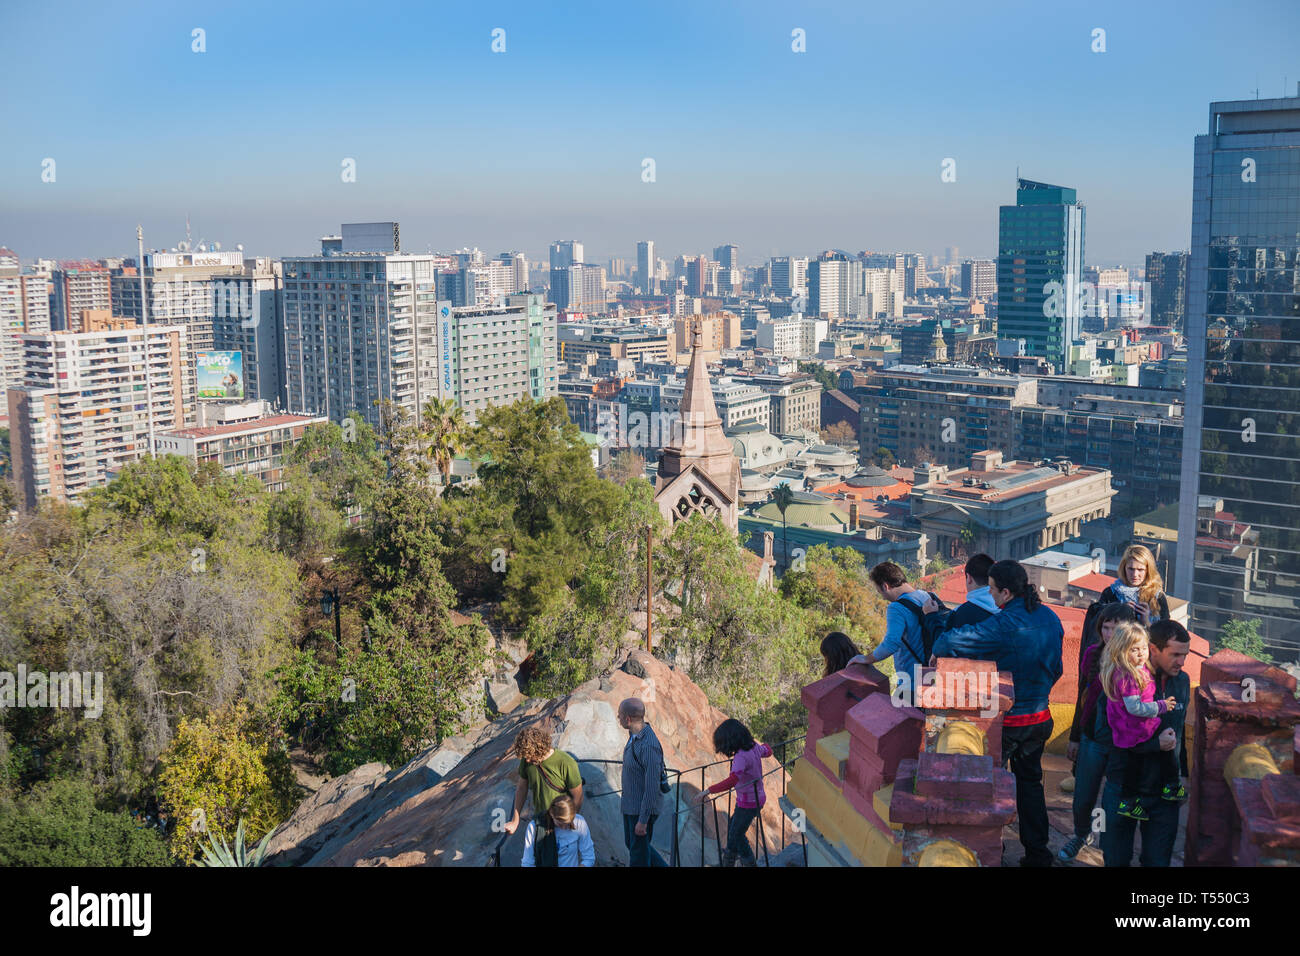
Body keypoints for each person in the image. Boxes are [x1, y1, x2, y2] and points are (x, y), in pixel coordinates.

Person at [922, 559, 1064, 867]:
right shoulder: (1050, 617)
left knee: (987, 787)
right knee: (1030, 786)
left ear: (1005, 592)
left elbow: (952, 640)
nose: (991, 596)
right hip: (1040, 717)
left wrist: (936, 636)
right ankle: (1038, 854)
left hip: (1007, 722)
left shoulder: (1004, 625)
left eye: (993, 590)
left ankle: (989, 851)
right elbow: (1058, 669)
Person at [1099, 619, 1191, 867]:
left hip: (1163, 791)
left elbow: (1179, 731)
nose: (1182, 662)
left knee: (1157, 861)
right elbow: (1104, 733)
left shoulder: (1182, 682)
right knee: (1115, 859)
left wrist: (1182, 774)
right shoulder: (1123, 677)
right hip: (1124, 785)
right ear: (1153, 649)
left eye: (1185, 655)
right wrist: (1153, 745)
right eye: (1175, 655)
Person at [1060, 601, 1139, 861]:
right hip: (1092, 736)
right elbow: (1082, 696)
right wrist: (1075, 737)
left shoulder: (1138, 660)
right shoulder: (1093, 654)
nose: (1109, 634)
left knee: (1112, 803)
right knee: (1083, 796)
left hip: (1123, 744)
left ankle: (1109, 849)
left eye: (1117, 628)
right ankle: (1082, 834)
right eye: (1106, 627)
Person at [698, 718, 773, 867]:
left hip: (748, 803)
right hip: (756, 799)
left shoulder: (740, 757)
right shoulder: (753, 747)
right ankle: (730, 857)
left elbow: (732, 781)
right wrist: (764, 745)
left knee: (737, 833)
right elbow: (768, 751)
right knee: (734, 827)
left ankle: (748, 862)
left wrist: (708, 790)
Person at [847, 561, 932, 682]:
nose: (882, 596)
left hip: (911, 680)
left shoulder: (896, 608)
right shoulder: (927, 596)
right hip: (933, 674)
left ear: (885, 586)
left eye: (879, 591)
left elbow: (891, 644)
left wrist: (866, 659)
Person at [502, 725, 584, 845]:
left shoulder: (566, 763)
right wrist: (515, 820)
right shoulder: (526, 761)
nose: (528, 761)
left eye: (530, 756)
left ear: (539, 747)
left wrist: (569, 822)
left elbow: (578, 796)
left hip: (562, 822)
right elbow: (521, 788)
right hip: (541, 822)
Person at [617, 697, 669, 867]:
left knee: (638, 857)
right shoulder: (635, 735)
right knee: (635, 846)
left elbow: (652, 787)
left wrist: (643, 820)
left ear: (628, 719)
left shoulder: (648, 745)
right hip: (631, 805)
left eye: (620, 715)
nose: (618, 718)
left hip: (641, 809)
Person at [923, 553, 998, 632]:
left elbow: (942, 641)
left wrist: (931, 616)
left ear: (969, 578)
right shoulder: (1006, 611)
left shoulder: (959, 615)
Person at [1102, 545, 1169, 627]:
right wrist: (1120, 612)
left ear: (1148, 570)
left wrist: (1147, 622)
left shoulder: (1158, 597)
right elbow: (1099, 626)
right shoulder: (1110, 593)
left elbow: (1165, 635)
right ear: (1124, 568)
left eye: (1140, 570)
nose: (1135, 574)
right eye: (1130, 569)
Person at [521, 794, 595, 867]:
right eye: (560, 824)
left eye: (568, 824)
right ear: (552, 814)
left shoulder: (579, 822)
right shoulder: (534, 827)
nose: (564, 827)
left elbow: (589, 857)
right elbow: (527, 862)